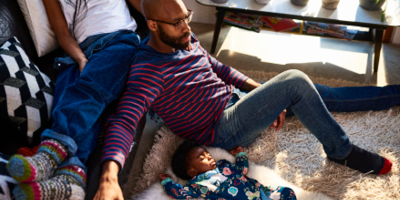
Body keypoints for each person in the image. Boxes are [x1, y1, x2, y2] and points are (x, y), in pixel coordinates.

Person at [98, 0, 400, 196]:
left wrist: (259, 92)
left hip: (237, 101)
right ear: (152, 25)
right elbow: (124, 120)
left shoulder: (184, 39)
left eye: (186, 17)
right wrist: (109, 175)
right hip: (221, 128)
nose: (187, 28)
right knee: (294, 81)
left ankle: (393, 94)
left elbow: (218, 67)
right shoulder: (148, 70)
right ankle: (341, 150)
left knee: (315, 93)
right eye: (176, 23)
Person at [6, 0, 143, 199]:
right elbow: (62, 34)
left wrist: (172, 19)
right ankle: (72, 179)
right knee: (71, 100)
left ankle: (50, 153)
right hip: (76, 52)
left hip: (119, 41)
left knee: (86, 93)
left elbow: (146, 6)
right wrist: (80, 59)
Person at [159, 140, 297, 200]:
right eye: (202, 158)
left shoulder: (223, 165)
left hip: (261, 193)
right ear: (192, 172)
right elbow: (181, 194)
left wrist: (240, 155)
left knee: (287, 192)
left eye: (207, 154)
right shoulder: (198, 184)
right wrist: (168, 182)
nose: (209, 157)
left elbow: (242, 170)